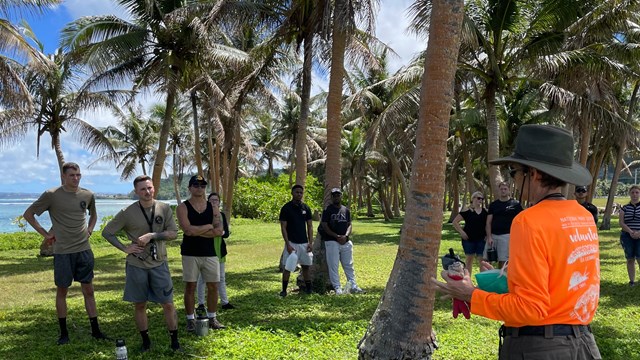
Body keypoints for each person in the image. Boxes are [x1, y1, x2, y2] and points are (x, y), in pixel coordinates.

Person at [432, 124, 601, 359]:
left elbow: (531, 309)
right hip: (583, 344)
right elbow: (560, 283)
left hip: (540, 347)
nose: (513, 180)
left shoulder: (529, 220)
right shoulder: (583, 216)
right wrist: (509, 279)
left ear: (533, 173)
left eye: (515, 172)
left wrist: (470, 294)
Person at [23, 162, 108, 345]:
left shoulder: (88, 194)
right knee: (62, 291)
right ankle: (64, 333)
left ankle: (96, 330)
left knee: (89, 290)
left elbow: (93, 215)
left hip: (84, 250)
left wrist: (90, 230)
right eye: (72, 175)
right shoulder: (52, 195)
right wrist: (46, 234)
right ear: (63, 176)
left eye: (78, 175)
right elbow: (28, 214)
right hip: (62, 252)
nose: (76, 178)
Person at [101, 175, 181, 351]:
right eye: (143, 189)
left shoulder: (164, 208)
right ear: (136, 192)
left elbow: (173, 233)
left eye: (150, 188)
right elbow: (107, 232)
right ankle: (146, 342)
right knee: (140, 304)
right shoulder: (127, 213)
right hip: (137, 264)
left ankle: (175, 342)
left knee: (168, 303)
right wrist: (124, 248)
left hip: (159, 262)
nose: (147, 191)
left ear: (154, 188)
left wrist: (152, 235)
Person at [177, 175, 225, 332]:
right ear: (190, 188)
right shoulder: (182, 207)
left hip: (210, 252)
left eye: (203, 185)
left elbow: (218, 231)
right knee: (190, 286)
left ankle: (212, 317)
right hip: (190, 253)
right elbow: (187, 231)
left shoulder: (213, 208)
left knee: (213, 286)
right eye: (196, 185)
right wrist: (208, 226)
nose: (199, 188)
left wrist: (198, 230)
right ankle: (190, 319)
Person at [321, 188, 364, 295]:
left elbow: (349, 224)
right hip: (332, 241)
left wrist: (345, 236)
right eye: (334, 195)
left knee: (349, 265)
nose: (336, 197)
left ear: (341, 196)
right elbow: (325, 226)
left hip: (345, 242)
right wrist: (336, 236)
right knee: (333, 265)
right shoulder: (327, 210)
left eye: (338, 195)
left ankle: (353, 285)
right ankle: (337, 288)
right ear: (331, 197)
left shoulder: (346, 210)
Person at [196, 192, 233, 311]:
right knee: (202, 279)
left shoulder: (221, 215)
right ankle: (201, 303)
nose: (214, 202)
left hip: (219, 252)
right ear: (207, 201)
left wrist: (218, 232)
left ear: (219, 202)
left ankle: (225, 302)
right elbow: (200, 232)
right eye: (211, 200)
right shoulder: (204, 214)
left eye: (216, 200)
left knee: (221, 278)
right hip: (206, 252)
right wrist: (214, 231)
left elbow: (226, 233)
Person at [279, 184, 314, 296]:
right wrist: (287, 244)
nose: (299, 194)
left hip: (304, 243)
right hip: (291, 243)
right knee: (288, 267)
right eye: (297, 192)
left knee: (306, 267)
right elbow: (283, 227)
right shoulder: (286, 208)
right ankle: (284, 291)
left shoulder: (306, 208)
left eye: (301, 192)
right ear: (292, 193)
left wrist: (310, 242)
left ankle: (308, 290)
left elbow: (309, 226)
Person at [484, 182, 523, 268]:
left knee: (504, 262)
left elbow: (521, 220)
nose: (503, 191)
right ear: (499, 190)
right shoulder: (494, 205)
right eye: (501, 189)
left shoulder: (516, 204)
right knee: (487, 261)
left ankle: (502, 279)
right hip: (493, 236)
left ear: (509, 190)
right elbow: (488, 222)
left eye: (505, 189)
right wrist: (489, 236)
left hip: (507, 236)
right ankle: (490, 279)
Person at [452, 191, 487, 275]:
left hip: (481, 239)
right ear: (473, 198)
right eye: (478, 198)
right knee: (469, 260)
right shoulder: (466, 211)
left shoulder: (485, 211)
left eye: (482, 199)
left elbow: (488, 224)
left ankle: (482, 284)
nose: (480, 200)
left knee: (482, 261)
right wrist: (462, 232)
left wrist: (487, 235)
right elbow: (455, 222)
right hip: (468, 239)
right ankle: (468, 281)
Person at [619, 185, 640, 286]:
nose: (635, 195)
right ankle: (632, 281)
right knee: (630, 258)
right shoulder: (624, 208)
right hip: (627, 236)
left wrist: (638, 233)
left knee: (639, 258)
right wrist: (630, 232)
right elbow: (621, 223)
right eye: (632, 192)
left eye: (637, 192)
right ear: (629, 194)